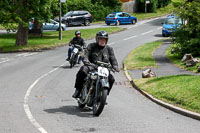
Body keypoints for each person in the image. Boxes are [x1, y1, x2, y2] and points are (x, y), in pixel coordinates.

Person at [72, 31, 120, 98]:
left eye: (104, 39)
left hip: (104, 69)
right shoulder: (91, 46)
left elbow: (113, 58)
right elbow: (85, 54)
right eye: (101, 39)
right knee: (83, 70)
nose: (102, 41)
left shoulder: (109, 49)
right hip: (92, 66)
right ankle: (78, 90)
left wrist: (115, 66)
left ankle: (104, 95)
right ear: (97, 39)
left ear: (106, 40)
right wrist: (86, 61)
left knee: (111, 79)